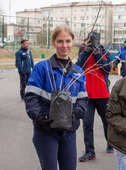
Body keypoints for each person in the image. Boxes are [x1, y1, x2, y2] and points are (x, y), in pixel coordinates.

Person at [24, 25, 88, 170]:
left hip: (68, 132)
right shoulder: (42, 68)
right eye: (60, 41)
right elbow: (31, 97)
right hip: (46, 132)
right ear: (53, 42)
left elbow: (83, 99)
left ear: (73, 42)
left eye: (68, 41)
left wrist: (77, 113)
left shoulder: (78, 72)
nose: (64, 46)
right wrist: (40, 118)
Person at [76, 32, 113, 162]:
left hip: (103, 95)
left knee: (107, 122)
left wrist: (97, 53)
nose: (91, 44)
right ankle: (89, 151)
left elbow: (107, 69)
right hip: (87, 96)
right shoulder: (84, 54)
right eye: (89, 41)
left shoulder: (105, 53)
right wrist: (86, 52)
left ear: (99, 41)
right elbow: (77, 69)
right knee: (87, 124)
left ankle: (111, 143)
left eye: (94, 41)